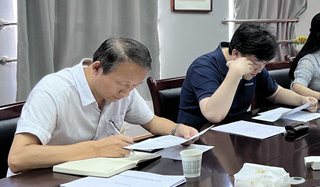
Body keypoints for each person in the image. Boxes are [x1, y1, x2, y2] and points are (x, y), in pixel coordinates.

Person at [8, 37, 197, 174]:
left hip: (93, 177)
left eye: (134, 86)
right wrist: (96, 148)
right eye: (123, 84)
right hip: (40, 185)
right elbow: (18, 158)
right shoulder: (53, 91)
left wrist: (177, 130)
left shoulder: (125, 90)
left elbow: (152, 122)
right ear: (97, 68)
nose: (127, 93)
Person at [178, 23, 317, 129]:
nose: (260, 69)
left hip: (234, 132)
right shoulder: (203, 67)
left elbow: (276, 93)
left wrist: (302, 101)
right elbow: (214, 115)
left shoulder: (255, 67)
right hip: (197, 141)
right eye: (255, 64)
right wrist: (235, 73)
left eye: (264, 64)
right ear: (235, 54)